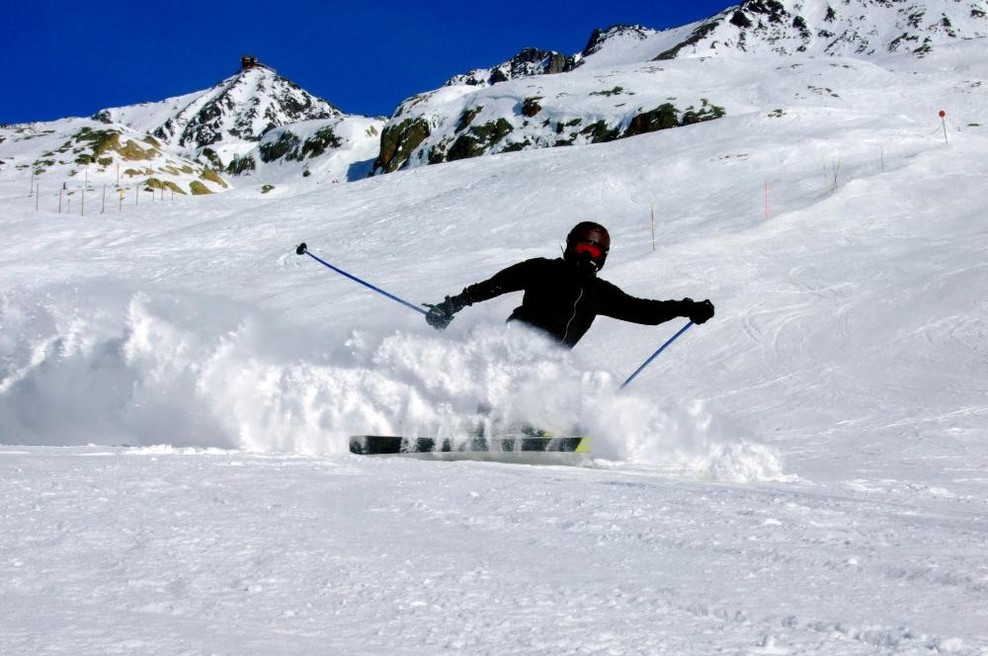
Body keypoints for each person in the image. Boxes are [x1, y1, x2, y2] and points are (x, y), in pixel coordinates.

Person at [424, 221, 714, 348]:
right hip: (513, 345)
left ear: (603, 258)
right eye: (582, 248)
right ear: (569, 247)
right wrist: (452, 305)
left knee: (548, 386)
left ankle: (535, 429)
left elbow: (645, 312)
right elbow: (493, 286)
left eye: (594, 251)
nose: (586, 256)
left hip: (549, 366)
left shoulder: (601, 293)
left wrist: (687, 309)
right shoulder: (541, 268)